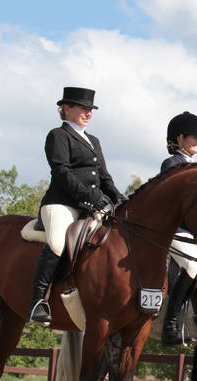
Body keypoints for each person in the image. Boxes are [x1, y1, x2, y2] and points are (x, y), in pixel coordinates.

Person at [30, 87, 125, 324]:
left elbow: (104, 175)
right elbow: (61, 172)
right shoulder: (58, 136)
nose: (88, 113)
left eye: (90, 109)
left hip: (90, 205)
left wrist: (118, 197)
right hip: (61, 203)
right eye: (83, 108)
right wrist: (90, 196)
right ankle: (37, 301)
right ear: (66, 108)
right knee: (57, 242)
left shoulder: (93, 140)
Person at [160, 111, 197, 345]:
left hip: (194, 232)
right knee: (191, 265)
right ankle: (170, 326)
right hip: (174, 229)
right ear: (179, 139)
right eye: (194, 137)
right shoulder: (171, 164)